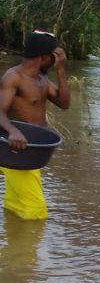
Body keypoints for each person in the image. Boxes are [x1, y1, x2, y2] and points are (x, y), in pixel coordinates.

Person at [0, 30, 69, 220]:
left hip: (31, 149)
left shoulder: (42, 79)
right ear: (45, 57)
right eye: (54, 58)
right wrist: (13, 131)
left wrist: (61, 70)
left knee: (15, 202)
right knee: (36, 212)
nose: (55, 62)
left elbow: (64, 103)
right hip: (15, 148)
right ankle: (28, 248)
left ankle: (13, 236)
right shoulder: (13, 76)